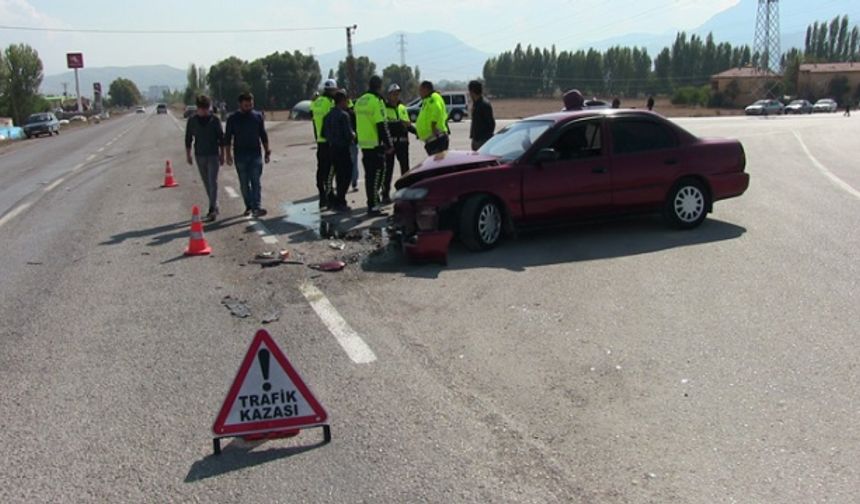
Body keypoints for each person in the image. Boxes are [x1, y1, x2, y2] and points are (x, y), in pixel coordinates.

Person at [225, 92, 271, 218]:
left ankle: (257, 206)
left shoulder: (258, 117)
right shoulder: (232, 118)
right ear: (240, 104)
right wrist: (227, 155)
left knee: (256, 181)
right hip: (240, 155)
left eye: (251, 104)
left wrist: (267, 151)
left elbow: (263, 134)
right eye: (246, 105)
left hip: (255, 154)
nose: (249, 107)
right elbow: (227, 138)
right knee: (244, 183)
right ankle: (249, 206)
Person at [354, 75, 394, 216]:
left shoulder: (360, 101)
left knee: (370, 176)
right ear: (379, 86)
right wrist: (389, 144)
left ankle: (372, 203)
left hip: (364, 144)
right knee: (378, 174)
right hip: (376, 145)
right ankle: (373, 205)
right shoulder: (376, 101)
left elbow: (354, 121)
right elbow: (381, 124)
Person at [184, 94, 224, 222]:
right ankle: (215, 205)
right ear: (197, 108)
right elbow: (188, 139)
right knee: (206, 182)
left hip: (213, 155)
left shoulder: (215, 120)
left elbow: (221, 138)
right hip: (199, 155)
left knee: (213, 182)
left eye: (206, 108)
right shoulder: (192, 121)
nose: (204, 111)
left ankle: (212, 208)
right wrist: (188, 154)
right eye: (202, 108)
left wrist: (222, 154)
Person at [381, 83, 414, 204]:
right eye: (393, 93)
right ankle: (385, 194)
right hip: (390, 144)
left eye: (397, 93)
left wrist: (418, 133)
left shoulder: (402, 107)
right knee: (388, 170)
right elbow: (383, 126)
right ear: (389, 95)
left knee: (405, 169)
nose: (396, 96)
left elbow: (407, 125)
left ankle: (405, 192)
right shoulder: (384, 108)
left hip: (403, 144)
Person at [322, 91, 354, 213]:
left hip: (332, 148)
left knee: (337, 175)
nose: (347, 103)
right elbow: (348, 134)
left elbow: (323, 133)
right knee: (346, 175)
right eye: (346, 100)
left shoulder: (328, 116)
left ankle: (336, 200)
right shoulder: (344, 116)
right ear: (342, 101)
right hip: (343, 149)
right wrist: (353, 135)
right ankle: (340, 200)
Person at [311, 79, 339, 209]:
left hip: (320, 141)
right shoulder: (330, 103)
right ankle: (329, 197)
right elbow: (332, 122)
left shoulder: (316, 103)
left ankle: (322, 195)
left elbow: (314, 122)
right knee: (330, 171)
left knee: (321, 170)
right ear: (332, 90)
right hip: (329, 141)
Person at [415, 81, 449, 155]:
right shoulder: (427, 100)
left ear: (426, 89)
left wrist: (433, 125)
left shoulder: (433, 97)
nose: (419, 93)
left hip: (437, 139)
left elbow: (437, 108)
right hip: (431, 141)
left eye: (420, 90)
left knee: (438, 164)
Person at [468, 80, 495, 151]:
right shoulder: (475, 104)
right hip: (476, 139)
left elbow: (491, 124)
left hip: (483, 140)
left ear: (472, 92)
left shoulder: (484, 104)